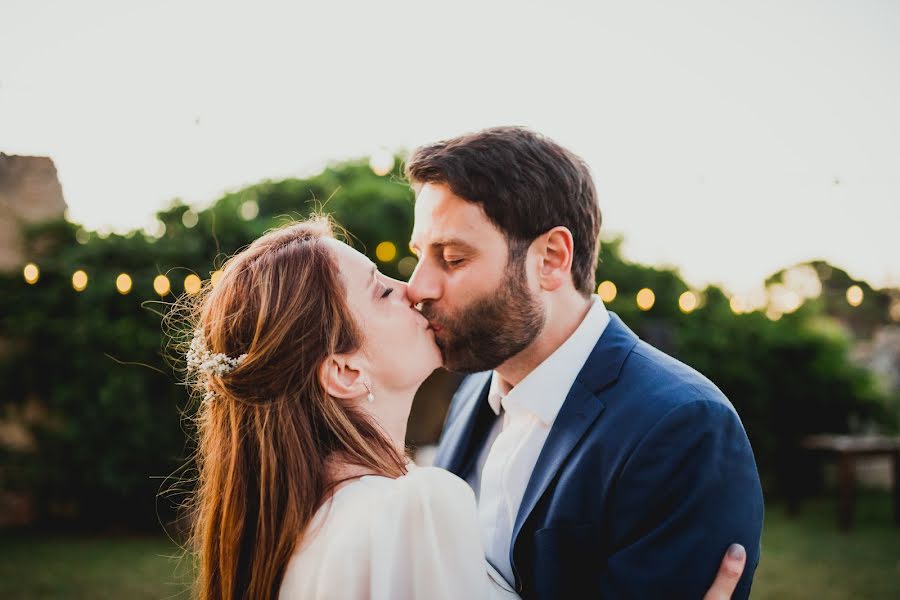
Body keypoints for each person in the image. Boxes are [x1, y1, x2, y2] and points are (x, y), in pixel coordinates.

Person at [180, 217, 749, 599]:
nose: (415, 288)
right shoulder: (416, 505)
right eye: (382, 290)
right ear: (345, 371)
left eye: (448, 257)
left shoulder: (290, 524)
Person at [405, 126, 765, 599]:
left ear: (551, 259)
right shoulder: (474, 388)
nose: (417, 287)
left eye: (451, 258)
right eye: (419, 256)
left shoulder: (684, 427)